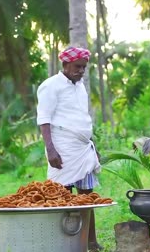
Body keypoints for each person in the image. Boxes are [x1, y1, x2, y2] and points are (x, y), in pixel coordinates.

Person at [36, 46, 103, 251]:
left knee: (86, 198)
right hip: (62, 149)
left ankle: (90, 242)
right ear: (65, 64)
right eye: (77, 67)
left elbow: (83, 118)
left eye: (84, 67)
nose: (81, 71)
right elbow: (44, 119)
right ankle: (63, 242)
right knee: (61, 198)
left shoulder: (80, 86)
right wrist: (50, 150)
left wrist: (94, 146)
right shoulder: (51, 86)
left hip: (83, 150)